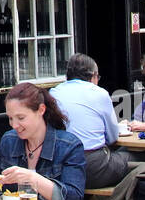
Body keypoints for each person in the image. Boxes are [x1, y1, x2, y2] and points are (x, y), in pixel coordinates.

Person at [53, 54, 129, 188]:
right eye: (98, 77)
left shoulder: (54, 93)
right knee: (139, 159)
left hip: (61, 167)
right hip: (92, 167)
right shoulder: (100, 93)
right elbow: (112, 137)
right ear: (93, 76)